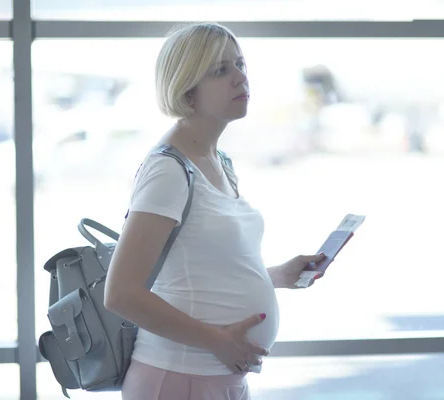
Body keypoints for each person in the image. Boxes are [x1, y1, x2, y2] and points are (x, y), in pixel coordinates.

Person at [103, 22, 326, 400]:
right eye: (221, 71)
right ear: (187, 91)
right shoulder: (168, 170)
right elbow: (121, 293)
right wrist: (216, 341)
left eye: (239, 64)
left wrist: (276, 276)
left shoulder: (218, 161)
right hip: (177, 379)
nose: (241, 78)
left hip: (216, 378)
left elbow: (201, 270)